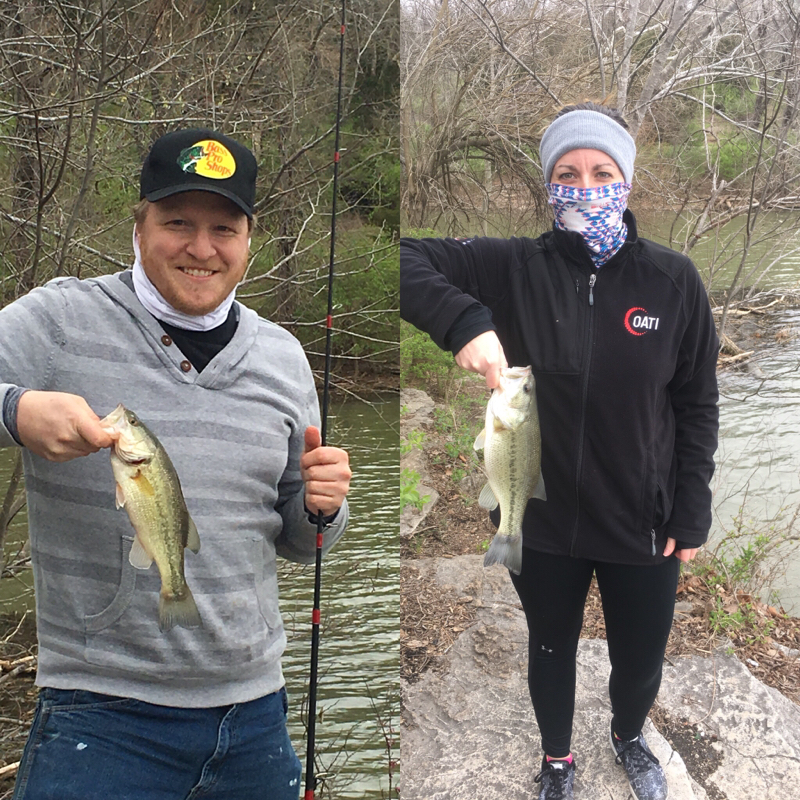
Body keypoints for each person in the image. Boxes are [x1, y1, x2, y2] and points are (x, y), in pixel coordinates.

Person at [0, 129, 351, 800]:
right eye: (178, 223)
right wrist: (16, 411)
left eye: (224, 228)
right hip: (99, 716)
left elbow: (299, 542)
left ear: (248, 241)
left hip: (256, 719)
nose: (201, 247)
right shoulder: (58, 319)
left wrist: (321, 509)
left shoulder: (283, 357)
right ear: (139, 227)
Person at [400, 103, 719, 800]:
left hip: (642, 519)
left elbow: (697, 404)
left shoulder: (674, 281)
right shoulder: (512, 266)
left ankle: (628, 735)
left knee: (640, 657)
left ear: (626, 181)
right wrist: (465, 322)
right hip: (540, 521)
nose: (586, 187)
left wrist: (691, 510)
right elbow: (402, 258)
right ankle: (557, 759)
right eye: (568, 173)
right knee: (550, 645)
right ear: (548, 183)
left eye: (602, 172)